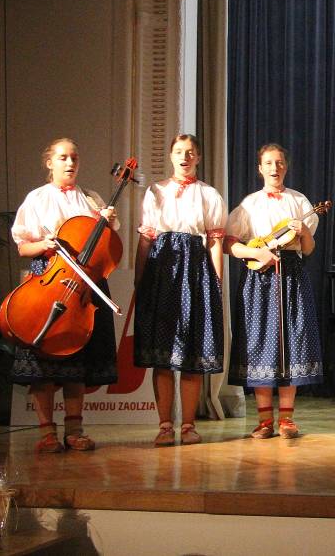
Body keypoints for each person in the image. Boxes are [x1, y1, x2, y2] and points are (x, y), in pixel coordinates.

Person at [9, 138, 118, 452]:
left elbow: (105, 250)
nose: (70, 163)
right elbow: (23, 246)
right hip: (48, 278)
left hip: (82, 283)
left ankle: (74, 430)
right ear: (49, 162)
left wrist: (107, 226)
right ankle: (46, 432)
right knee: (42, 358)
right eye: (63, 157)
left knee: (76, 355)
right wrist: (44, 245)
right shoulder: (36, 199)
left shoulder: (91, 198)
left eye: (74, 157)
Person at [225, 143, 322, 439]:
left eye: (279, 162)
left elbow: (307, 249)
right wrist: (258, 255)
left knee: (291, 341)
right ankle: (265, 420)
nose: (274, 168)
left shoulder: (300, 201)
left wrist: (303, 231)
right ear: (260, 168)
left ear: (286, 166)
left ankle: (287, 419)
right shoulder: (249, 204)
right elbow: (231, 244)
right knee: (259, 344)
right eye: (268, 163)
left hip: (291, 274)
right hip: (259, 278)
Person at [135, 134, 226, 446]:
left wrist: (216, 282)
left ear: (198, 157)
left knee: (190, 352)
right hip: (163, 268)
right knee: (162, 354)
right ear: (171, 156)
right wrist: (140, 278)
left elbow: (214, 240)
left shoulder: (209, 194)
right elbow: (146, 238)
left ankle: (188, 425)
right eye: (178, 152)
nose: (184, 157)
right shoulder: (156, 191)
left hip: (195, 269)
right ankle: (164, 425)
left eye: (190, 152)